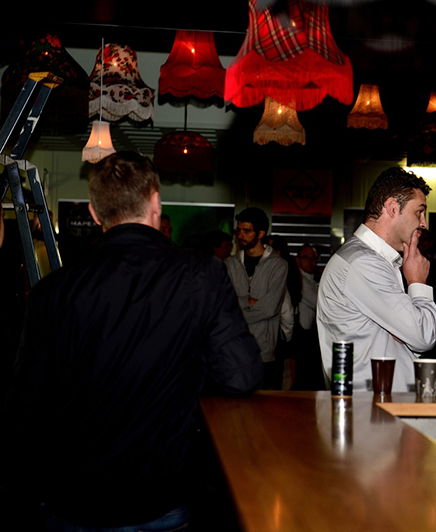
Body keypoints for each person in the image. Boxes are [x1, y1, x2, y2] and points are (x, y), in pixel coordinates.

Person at [3, 151, 262, 530]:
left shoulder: (51, 291)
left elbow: (25, 407)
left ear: (95, 213)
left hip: (71, 499)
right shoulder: (200, 275)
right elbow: (241, 377)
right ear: (155, 202)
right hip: (157, 498)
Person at [317, 167, 436, 392]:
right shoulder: (363, 263)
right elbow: (423, 335)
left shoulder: (378, 260)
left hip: (380, 401)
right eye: (419, 212)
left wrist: (406, 331)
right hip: (371, 405)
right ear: (392, 207)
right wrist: (418, 283)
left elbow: (411, 338)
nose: (424, 223)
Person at [225, 208, 288, 390]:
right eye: (239, 230)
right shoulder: (230, 264)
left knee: (265, 405)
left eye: (247, 231)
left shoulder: (278, 265)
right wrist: (249, 301)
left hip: (264, 354)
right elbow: (225, 306)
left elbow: (270, 308)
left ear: (260, 234)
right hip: (235, 352)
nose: (240, 235)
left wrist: (239, 306)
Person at [292, 244, 326, 390]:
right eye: (306, 258)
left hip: (309, 335)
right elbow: (319, 304)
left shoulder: (311, 280)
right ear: (298, 259)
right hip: (303, 337)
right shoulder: (300, 280)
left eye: (314, 258)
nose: (311, 261)